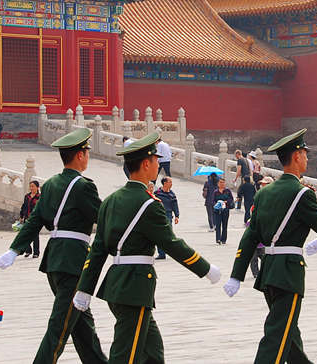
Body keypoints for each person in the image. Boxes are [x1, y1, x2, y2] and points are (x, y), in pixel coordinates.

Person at [222, 128, 317, 364]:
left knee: (288, 334)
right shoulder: (302, 194)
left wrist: (237, 275)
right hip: (288, 273)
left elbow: (250, 236)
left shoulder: (264, 193)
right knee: (277, 336)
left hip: (269, 270)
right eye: (305, 154)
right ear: (297, 156)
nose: (307, 159)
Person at [74, 132, 220, 363]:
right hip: (135, 287)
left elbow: (98, 249)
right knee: (125, 354)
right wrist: (205, 268)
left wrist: (85, 289)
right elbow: (171, 243)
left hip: (117, 284)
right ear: (145, 164)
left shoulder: (111, 200)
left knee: (153, 352)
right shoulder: (149, 204)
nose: (158, 166)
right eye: (155, 161)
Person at [0, 127, 106, 364]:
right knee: (59, 327)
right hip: (73, 262)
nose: (88, 157)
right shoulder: (83, 186)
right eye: (87, 152)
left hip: (54, 261)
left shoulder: (51, 184)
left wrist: (14, 250)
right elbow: (104, 216)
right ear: (80, 155)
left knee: (82, 326)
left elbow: (35, 220)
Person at [248, 176, 274, 278]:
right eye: (262, 184)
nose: (262, 186)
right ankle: (256, 273)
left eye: (264, 184)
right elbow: (253, 210)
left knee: (266, 257)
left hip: (269, 234)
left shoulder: (275, 197)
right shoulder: (259, 195)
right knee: (254, 257)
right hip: (257, 232)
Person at [153, 177, 180, 260]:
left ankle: (171, 251)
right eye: (170, 182)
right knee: (159, 235)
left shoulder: (172, 194)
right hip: (158, 215)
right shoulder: (157, 193)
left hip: (168, 215)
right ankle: (161, 254)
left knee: (168, 234)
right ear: (165, 183)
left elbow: (175, 205)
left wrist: (177, 216)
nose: (171, 184)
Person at [19, 180, 41, 258]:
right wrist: (21, 216)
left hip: (36, 219)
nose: (31, 188)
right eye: (30, 186)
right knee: (25, 235)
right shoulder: (27, 196)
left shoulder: (40, 197)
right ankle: (28, 251)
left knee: (35, 236)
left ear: (37, 187)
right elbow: (24, 206)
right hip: (27, 218)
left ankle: (36, 253)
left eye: (33, 186)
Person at [212, 177, 235, 245]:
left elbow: (231, 199)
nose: (222, 184)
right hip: (218, 211)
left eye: (223, 182)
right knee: (218, 225)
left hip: (225, 210)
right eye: (220, 182)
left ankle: (223, 239)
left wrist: (226, 202)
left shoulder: (227, 191)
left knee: (225, 225)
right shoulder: (215, 192)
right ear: (218, 184)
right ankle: (218, 239)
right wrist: (217, 203)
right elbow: (212, 201)